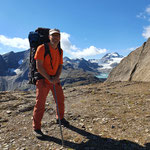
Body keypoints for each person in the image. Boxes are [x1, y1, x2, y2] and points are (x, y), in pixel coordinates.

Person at [33, 28, 69, 137]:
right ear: (49, 37)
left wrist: (56, 77)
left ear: (60, 38)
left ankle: (60, 118)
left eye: (57, 36)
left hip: (54, 79)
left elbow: (60, 65)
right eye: (53, 35)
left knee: (60, 100)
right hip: (43, 79)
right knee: (40, 104)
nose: (55, 38)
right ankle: (36, 128)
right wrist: (49, 78)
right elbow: (39, 66)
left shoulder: (60, 50)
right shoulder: (41, 48)